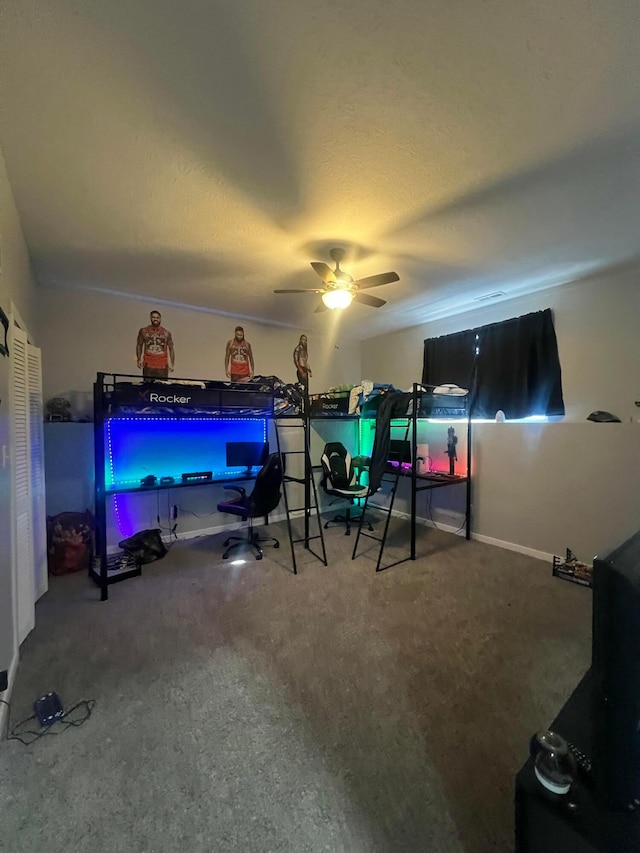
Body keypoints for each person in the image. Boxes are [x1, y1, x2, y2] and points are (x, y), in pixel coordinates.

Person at [136, 310, 175, 379]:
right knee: (147, 387)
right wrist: (139, 359)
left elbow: (171, 348)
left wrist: (171, 363)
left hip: (162, 364)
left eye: (157, 317)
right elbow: (139, 344)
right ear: (150, 318)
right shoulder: (144, 331)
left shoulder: (166, 333)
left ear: (160, 319)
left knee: (162, 387)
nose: (155, 319)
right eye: (153, 317)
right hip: (148, 363)